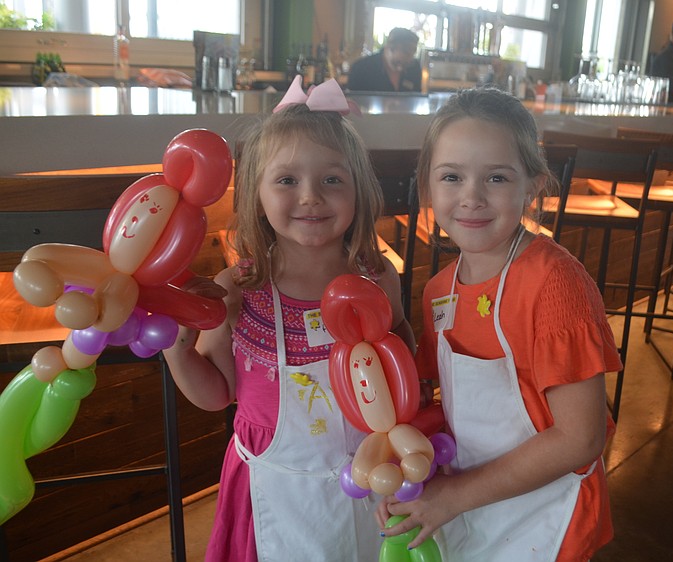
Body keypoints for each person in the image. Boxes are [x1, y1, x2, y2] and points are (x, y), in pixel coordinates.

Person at [163, 76, 415, 561]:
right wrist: (177, 347)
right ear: (256, 195)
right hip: (271, 495)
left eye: (332, 180)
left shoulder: (377, 277)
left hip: (371, 484)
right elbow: (217, 393)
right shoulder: (237, 289)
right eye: (286, 180)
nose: (310, 196)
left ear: (359, 189)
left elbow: (402, 353)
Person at [377, 87, 623, 561]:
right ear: (428, 187)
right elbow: (447, 411)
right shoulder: (438, 291)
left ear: (532, 184)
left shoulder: (555, 285)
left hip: (546, 516)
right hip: (476, 506)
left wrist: (454, 496)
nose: (471, 197)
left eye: (495, 177)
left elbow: (581, 438)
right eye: (451, 176)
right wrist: (408, 477)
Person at [346, 27, 422, 93]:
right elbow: (353, 104)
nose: (410, 59)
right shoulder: (361, 68)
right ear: (390, 47)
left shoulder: (414, 68)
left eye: (413, 53)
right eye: (406, 53)